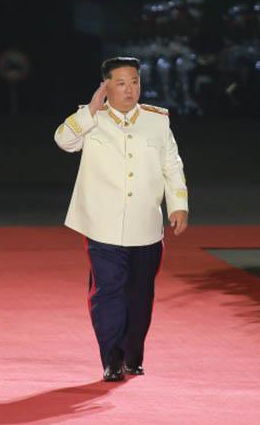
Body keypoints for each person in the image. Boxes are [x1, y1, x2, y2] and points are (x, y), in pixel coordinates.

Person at [55, 56, 189, 382]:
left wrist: (178, 204)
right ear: (106, 86)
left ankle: (133, 354)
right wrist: (89, 109)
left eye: (135, 82)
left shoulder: (157, 121)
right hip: (102, 225)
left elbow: (171, 164)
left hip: (145, 224)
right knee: (107, 292)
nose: (129, 90)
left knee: (140, 295)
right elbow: (63, 140)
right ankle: (111, 357)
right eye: (121, 83)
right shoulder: (91, 119)